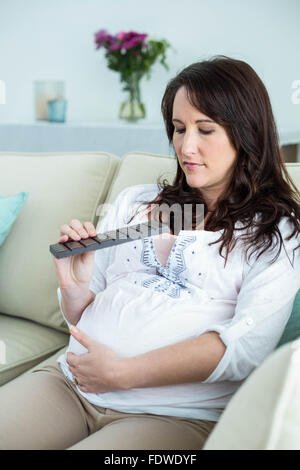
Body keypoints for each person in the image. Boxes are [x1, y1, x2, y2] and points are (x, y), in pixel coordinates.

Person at [0, 55, 300, 450]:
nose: (186, 146)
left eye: (205, 129)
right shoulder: (136, 203)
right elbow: (81, 315)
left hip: (173, 413)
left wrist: (123, 373)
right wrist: (75, 289)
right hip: (70, 385)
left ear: (246, 133)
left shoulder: (276, 231)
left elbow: (247, 347)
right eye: (178, 129)